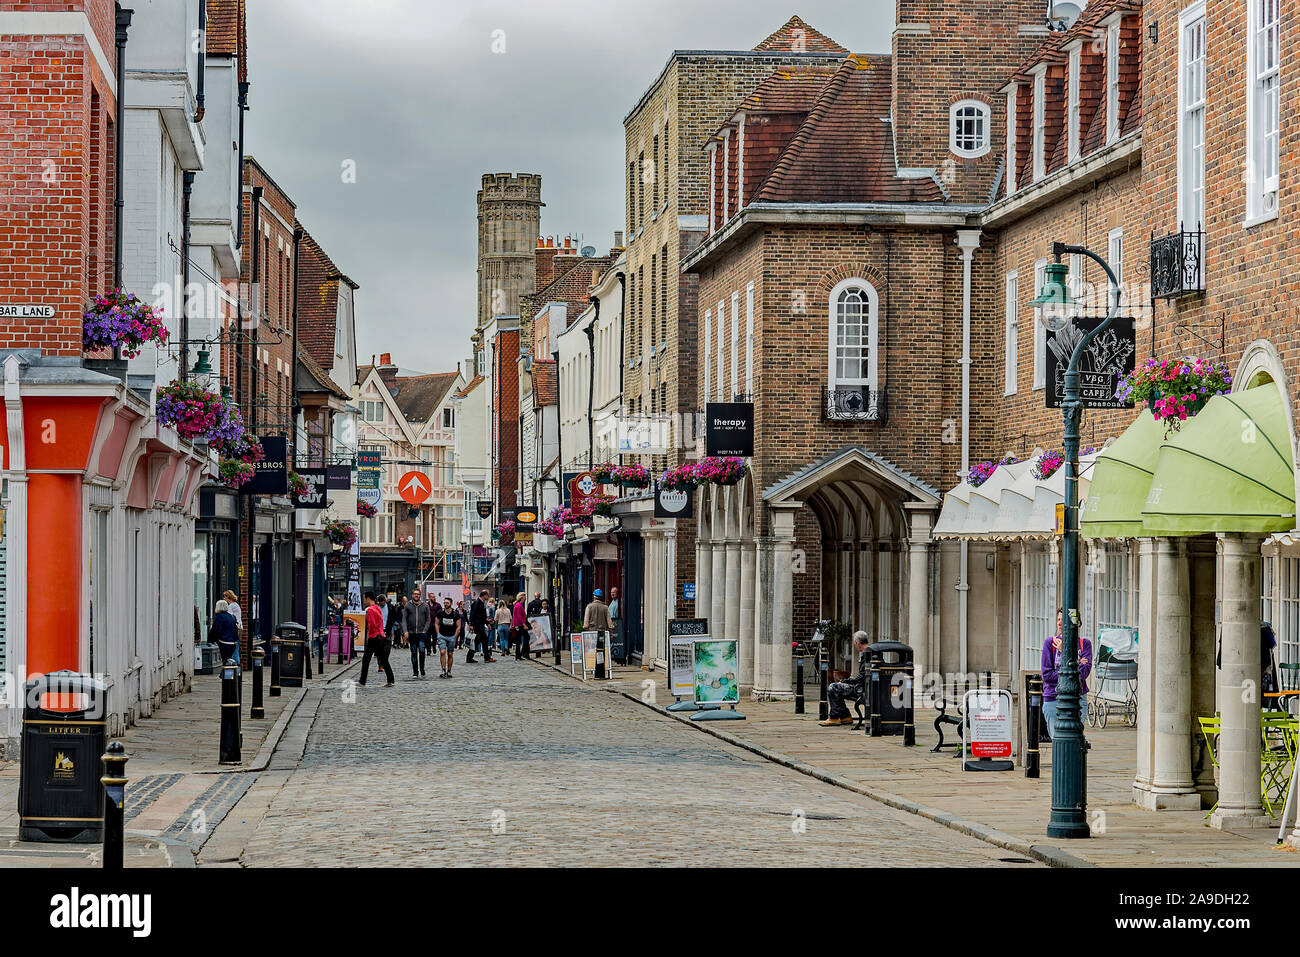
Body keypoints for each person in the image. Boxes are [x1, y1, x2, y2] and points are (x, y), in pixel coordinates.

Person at [1041, 609, 1091, 734]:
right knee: (1057, 739)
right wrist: (1077, 663)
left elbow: (1084, 673)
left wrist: (1065, 651)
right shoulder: (1049, 643)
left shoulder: (1085, 644)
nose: (1059, 623)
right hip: (1053, 698)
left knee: (1074, 738)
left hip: (1078, 699)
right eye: (1058, 620)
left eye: (1063, 621)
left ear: (1075, 623)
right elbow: (1047, 675)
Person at [819, 631, 871, 726]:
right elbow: (863, 675)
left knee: (833, 687)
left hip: (863, 690)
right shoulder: (870, 651)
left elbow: (861, 677)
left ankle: (834, 717)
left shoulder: (867, 654)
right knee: (837, 687)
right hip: (868, 687)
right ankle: (845, 716)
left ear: (857, 642)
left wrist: (845, 681)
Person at [358, 591, 395, 687]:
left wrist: (370, 636)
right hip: (381, 635)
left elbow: (372, 625)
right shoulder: (377, 608)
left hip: (374, 637)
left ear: (367, 598)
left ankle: (362, 680)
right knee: (383, 659)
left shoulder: (370, 610)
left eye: (364, 599)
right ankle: (390, 679)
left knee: (366, 659)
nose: (364, 601)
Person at [403, 589, 432, 678]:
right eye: (415, 594)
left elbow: (428, 619)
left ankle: (422, 669)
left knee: (422, 651)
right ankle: (415, 672)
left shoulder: (425, 606)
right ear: (412, 595)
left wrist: (425, 630)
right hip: (412, 633)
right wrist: (405, 631)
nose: (416, 595)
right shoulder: (408, 605)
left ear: (420, 595)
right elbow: (404, 619)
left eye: (418, 594)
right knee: (414, 652)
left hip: (422, 633)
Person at [433, 597, 460, 678]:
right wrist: (438, 634)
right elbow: (436, 623)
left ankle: (449, 670)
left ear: (451, 604)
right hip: (442, 635)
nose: (445, 604)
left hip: (452, 636)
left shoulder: (455, 614)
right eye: (444, 603)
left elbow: (458, 626)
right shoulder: (440, 613)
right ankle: (443, 670)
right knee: (442, 652)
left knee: (450, 654)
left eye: (447, 603)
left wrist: (455, 635)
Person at [468, 589, 494, 663]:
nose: (488, 597)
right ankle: (485, 657)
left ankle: (486, 657)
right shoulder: (477, 603)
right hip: (477, 626)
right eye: (487, 595)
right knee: (478, 642)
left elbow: (483, 616)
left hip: (480, 625)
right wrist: (471, 624)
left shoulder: (481, 603)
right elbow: (473, 614)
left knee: (481, 641)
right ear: (484, 595)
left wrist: (487, 623)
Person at [209, 600, 239, 665]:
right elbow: (235, 630)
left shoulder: (219, 617)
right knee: (229, 660)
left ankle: (226, 674)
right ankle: (226, 674)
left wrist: (213, 640)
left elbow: (216, 630)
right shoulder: (232, 617)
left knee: (225, 661)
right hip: (232, 643)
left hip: (224, 642)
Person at [512, 591, 529, 660]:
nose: (525, 599)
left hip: (518, 625)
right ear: (522, 598)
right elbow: (519, 617)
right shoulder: (519, 606)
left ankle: (518, 655)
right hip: (519, 625)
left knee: (519, 640)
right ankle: (521, 653)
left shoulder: (518, 605)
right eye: (525, 597)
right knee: (526, 637)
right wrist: (524, 625)